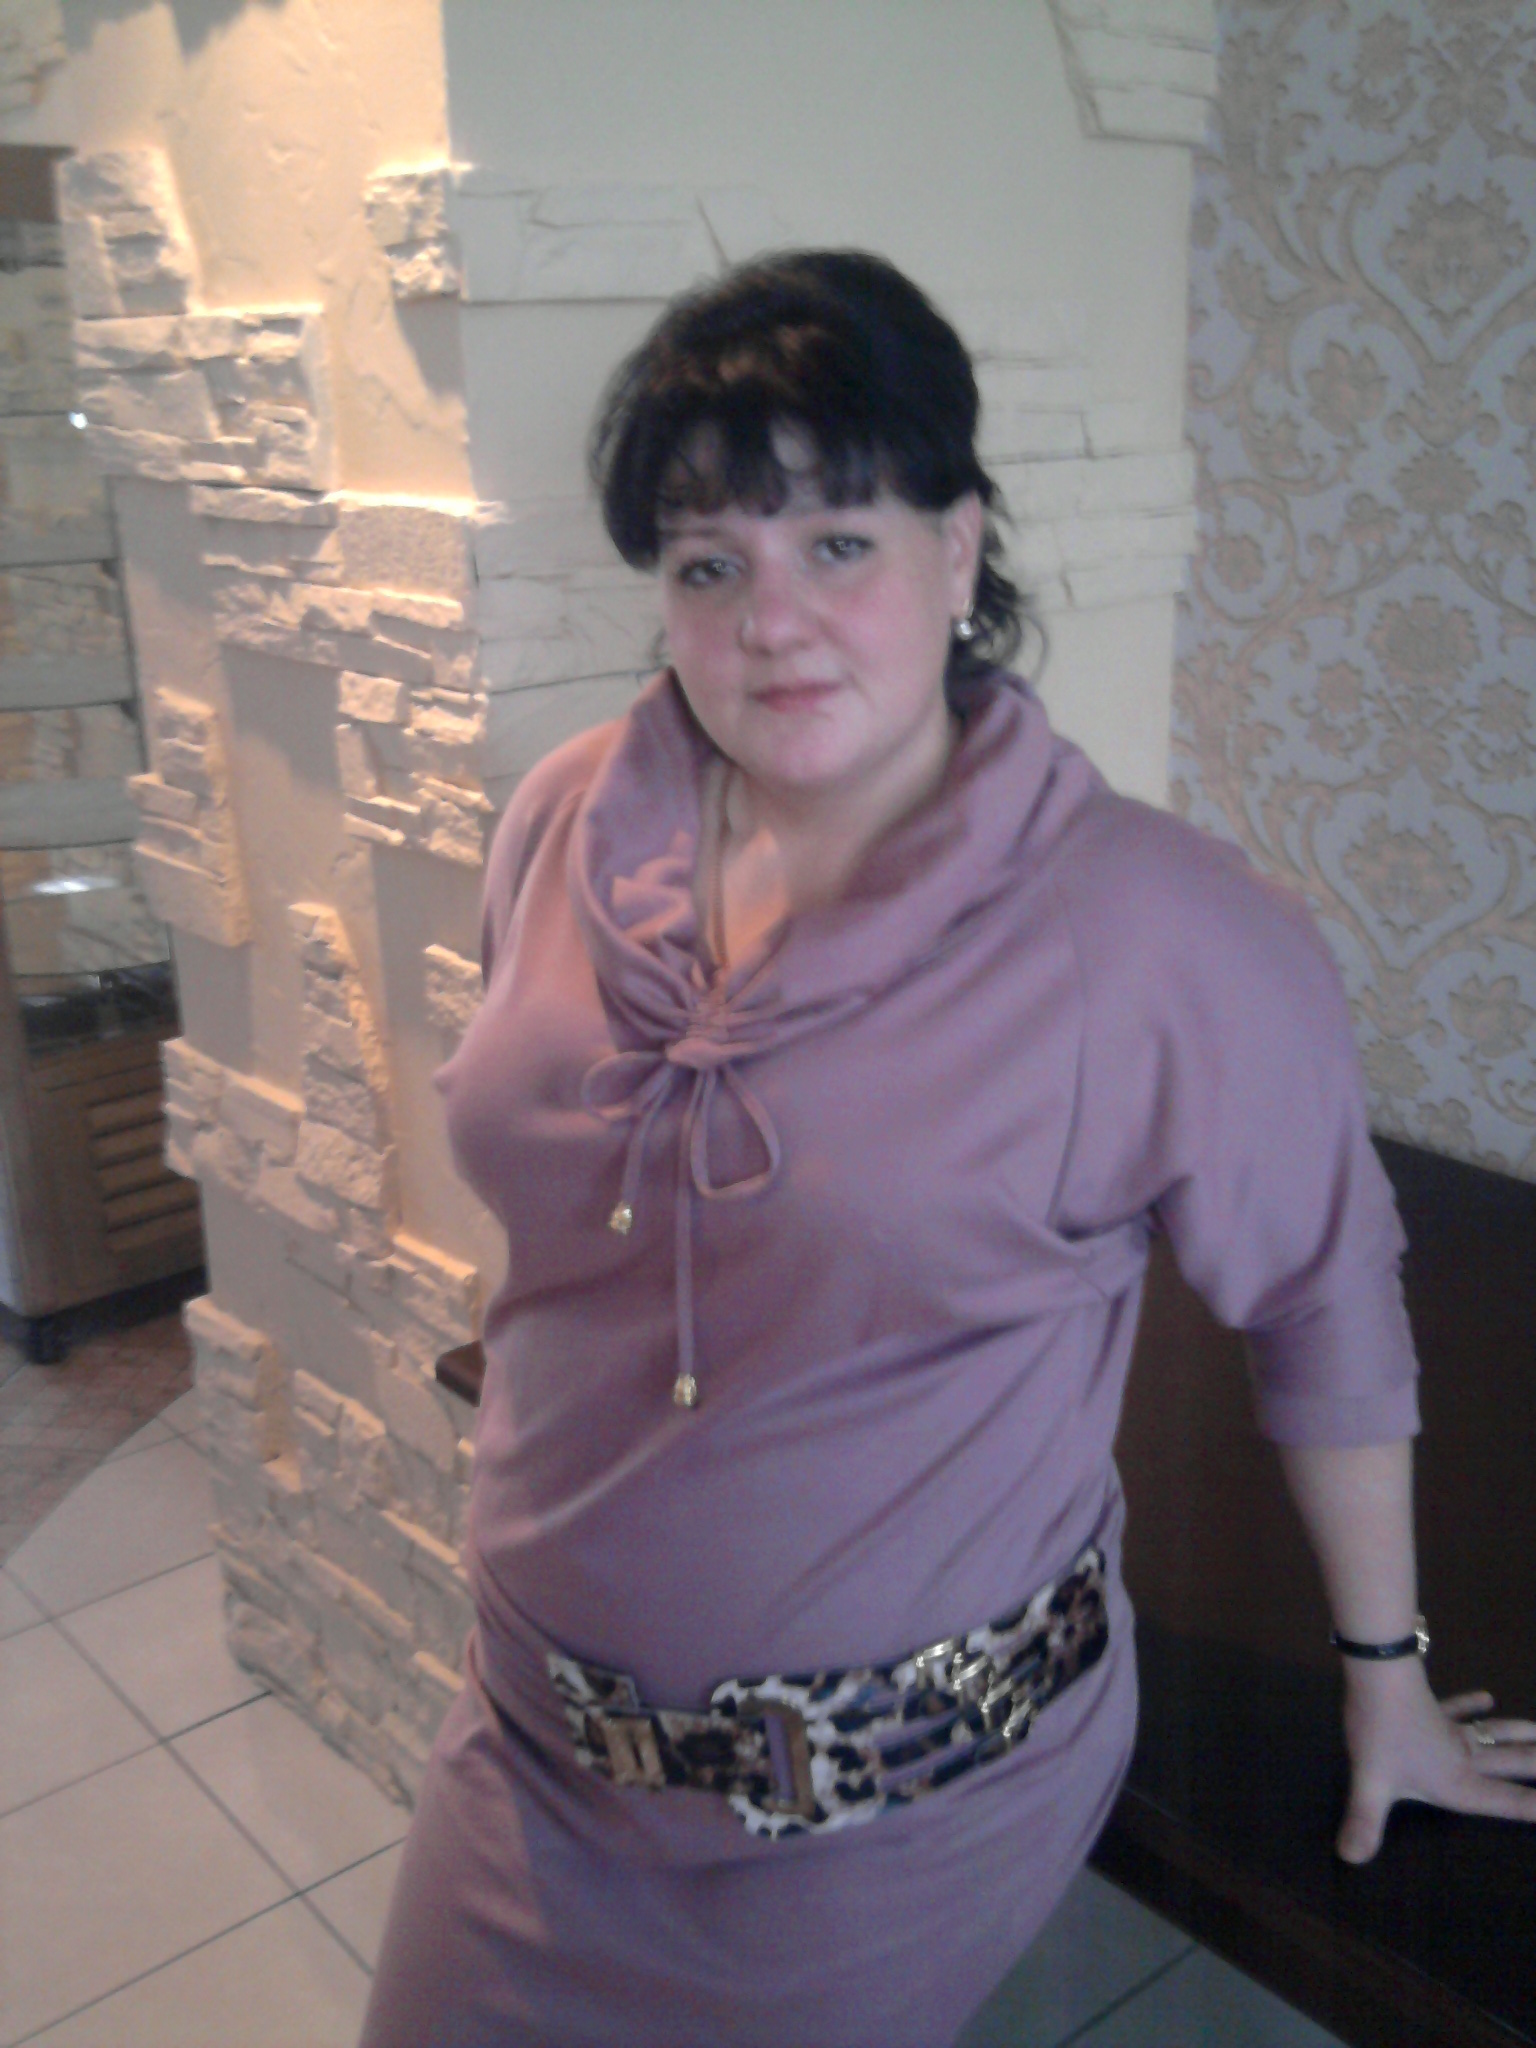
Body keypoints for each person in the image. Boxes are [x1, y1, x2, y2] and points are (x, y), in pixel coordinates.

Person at [360, 250, 1536, 2048]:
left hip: (876, 1827)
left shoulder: (1161, 933)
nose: (771, 622)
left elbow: (1324, 1300)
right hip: (529, 1751)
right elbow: (564, 1213)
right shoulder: (569, 815)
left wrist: (1391, 1680)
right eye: (708, 564)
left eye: (838, 543)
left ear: (962, 549)